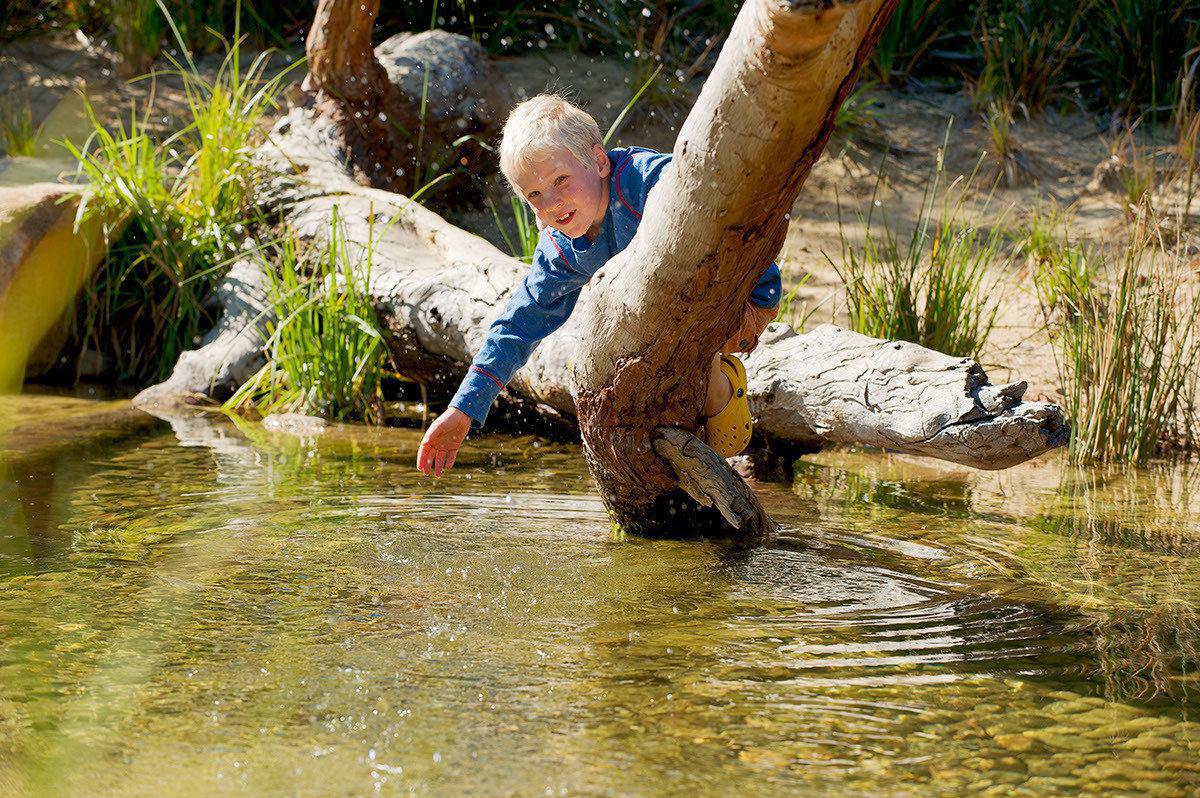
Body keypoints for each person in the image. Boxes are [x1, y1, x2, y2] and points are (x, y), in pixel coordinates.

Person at [416, 94, 780, 477]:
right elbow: (516, 326)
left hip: (740, 297)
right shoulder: (562, 248)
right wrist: (463, 410)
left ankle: (720, 386)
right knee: (620, 377)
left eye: (560, 180)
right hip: (663, 315)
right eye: (535, 195)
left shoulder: (648, 183)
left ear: (599, 161)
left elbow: (721, 193)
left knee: (670, 362)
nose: (553, 202)